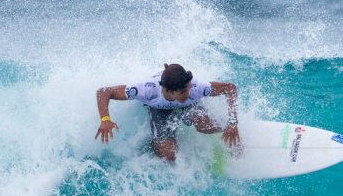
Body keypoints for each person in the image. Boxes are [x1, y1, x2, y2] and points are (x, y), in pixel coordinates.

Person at [95, 63, 240, 162]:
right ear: (168, 91)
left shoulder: (196, 88)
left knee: (204, 125)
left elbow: (229, 88)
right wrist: (105, 119)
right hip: (159, 109)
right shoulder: (146, 90)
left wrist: (232, 122)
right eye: (183, 91)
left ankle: (230, 133)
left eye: (188, 88)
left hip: (188, 106)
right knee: (168, 156)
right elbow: (104, 91)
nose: (188, 93)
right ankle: (155, 144)